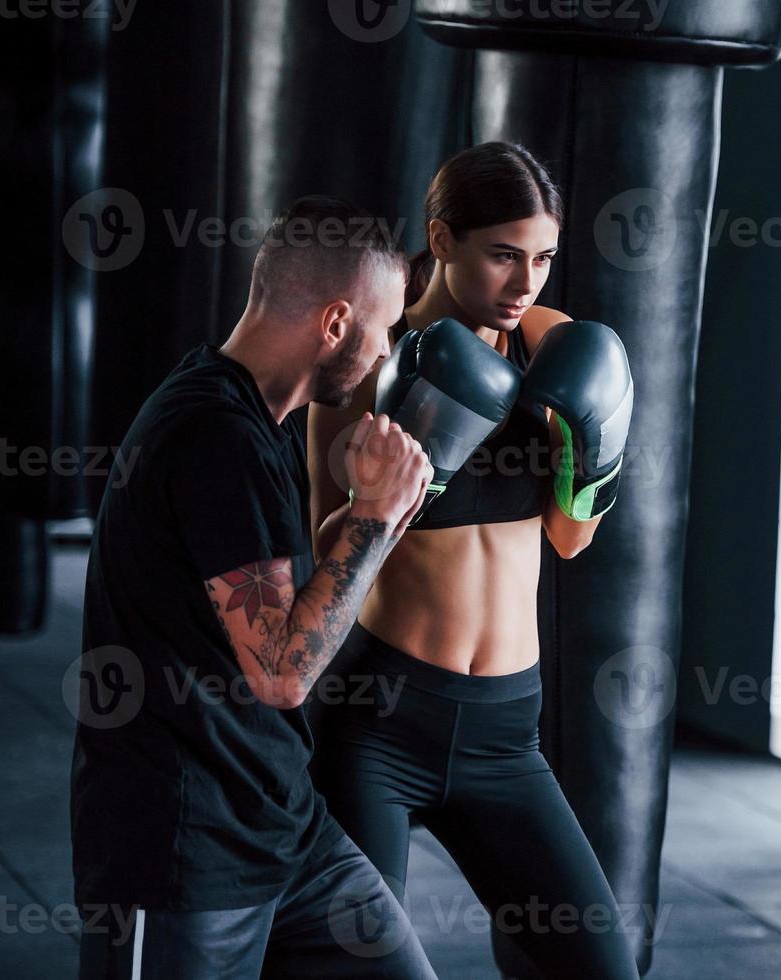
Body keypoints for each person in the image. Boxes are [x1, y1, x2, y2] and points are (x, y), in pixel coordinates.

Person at [71, 196, 440, 979]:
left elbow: (282, 603)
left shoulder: (255, 415)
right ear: (335, 323)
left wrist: (387, 512)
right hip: (186, 855)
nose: (384, 357)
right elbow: (281, 671)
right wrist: (371, 519)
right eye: (382, 331)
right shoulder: (215, 437)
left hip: (284, 828)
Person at [305, 142, 639, 979]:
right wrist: (409, 470)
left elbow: (570, 539)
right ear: (442, 239)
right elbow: (325, 552)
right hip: (381, 722)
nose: (525, 282)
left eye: (543, 258)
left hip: (505, 732)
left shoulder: (554, 344)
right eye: (502, 255)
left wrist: (588, 456)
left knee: (602, 967)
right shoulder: (368, 365)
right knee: (356, 969)